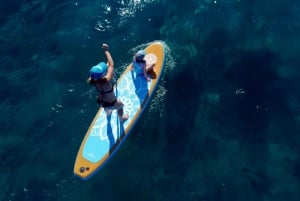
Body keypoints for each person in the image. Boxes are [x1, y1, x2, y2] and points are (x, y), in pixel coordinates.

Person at [87, 44, 129, 122]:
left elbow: (106, 68)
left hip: (100, 100)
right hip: (111, 102)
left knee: (106, 107)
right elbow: (111, 65)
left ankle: (108, 113)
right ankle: (122, 119)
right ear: (103, 74)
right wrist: (106, 50)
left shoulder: (92, 80)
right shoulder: (106, 81)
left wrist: (106, 66)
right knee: (120, 106)